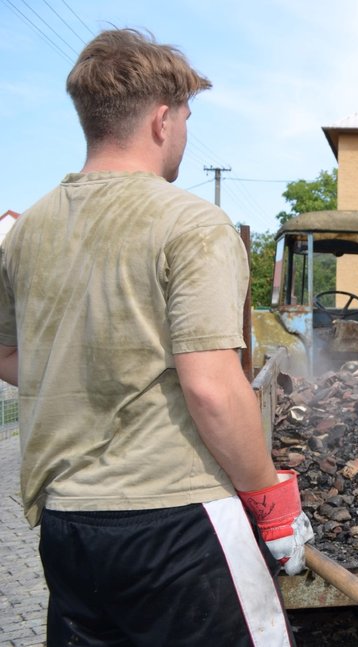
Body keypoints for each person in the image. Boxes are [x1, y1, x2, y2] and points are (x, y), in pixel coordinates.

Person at [0, 29, 312, 645]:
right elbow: (212, 386)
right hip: (175, 524)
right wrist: (271, 501)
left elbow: (11, 355)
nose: (186, 134)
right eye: (188, 117)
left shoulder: (27, 229)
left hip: (68, 526)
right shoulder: (191, 222)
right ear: (163, 119)